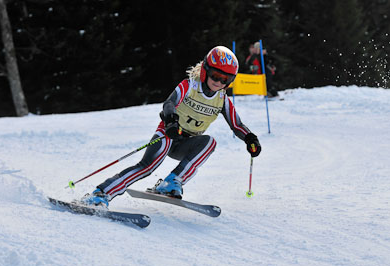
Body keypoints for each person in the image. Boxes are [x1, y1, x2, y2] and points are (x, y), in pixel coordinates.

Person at [81, 46, 262, 208]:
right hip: (169, 133)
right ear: (206, 70)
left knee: (210, 143)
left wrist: (250, 138)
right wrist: (170, 121)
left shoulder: (222, 99)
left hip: (187, 143)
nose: (219, 82)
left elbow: (237, 124)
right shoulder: (190, 85)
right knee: (147, 166)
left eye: (225, 79)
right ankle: (100, 194)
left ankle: (172, 181)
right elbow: (169, 103)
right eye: (216, 76)